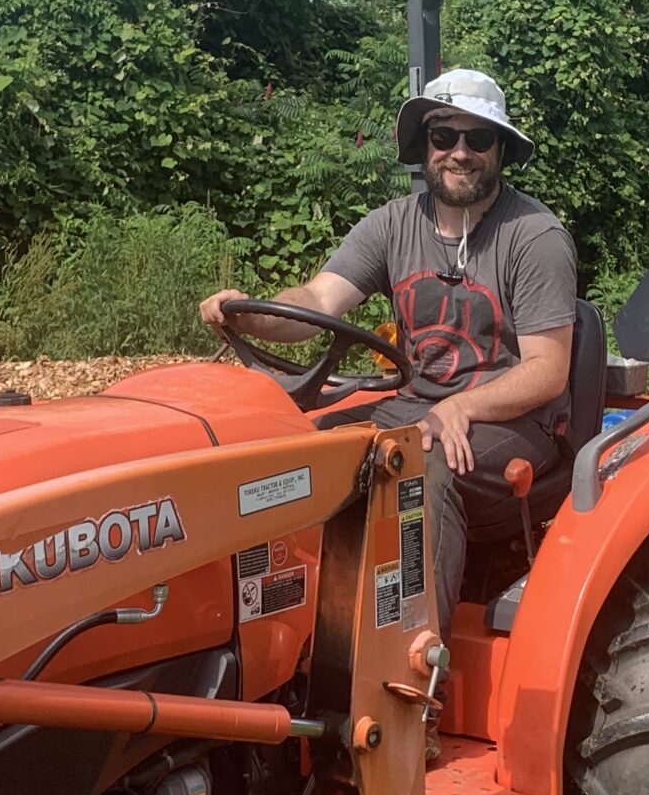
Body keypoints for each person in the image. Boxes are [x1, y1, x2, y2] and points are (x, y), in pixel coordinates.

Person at [201, 69, 577, 637]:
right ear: (424, 146)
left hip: (514, 420)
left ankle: (411, 678)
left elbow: (548, 371)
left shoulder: (534, 236)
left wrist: (464, 406)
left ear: (500, 149)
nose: (460, 153)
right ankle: (278, 636)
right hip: (416, 405)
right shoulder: (391, 225)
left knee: (417, 467)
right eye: (444, 137)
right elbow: (318, 299)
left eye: (478, 139)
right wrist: (252, 312)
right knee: (290, 452)